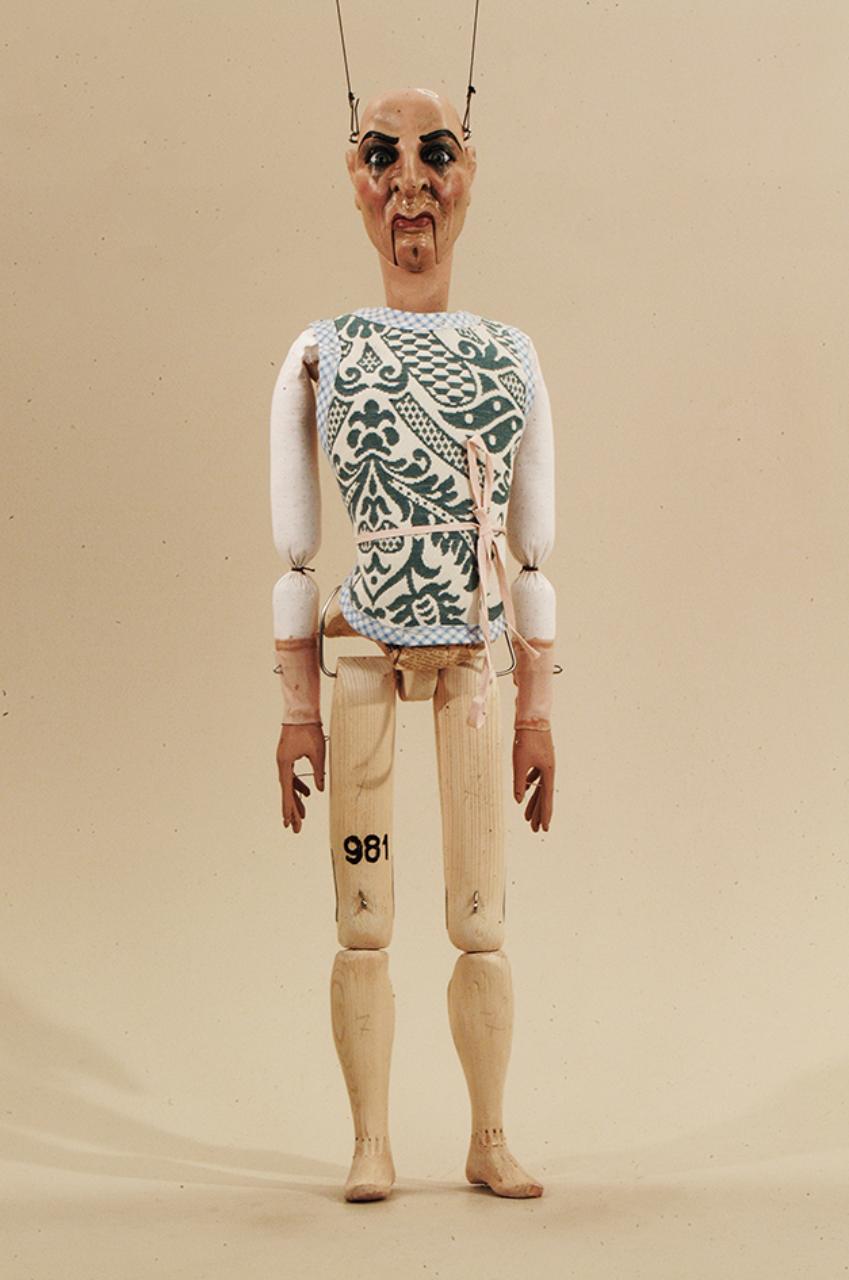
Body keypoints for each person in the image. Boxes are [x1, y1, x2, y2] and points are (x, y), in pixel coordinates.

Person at [271, 87, 556, 1201]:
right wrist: (297, 707)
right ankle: (371, 1140)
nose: (409, 183)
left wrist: (537, 712)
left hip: (473, 658)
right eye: (380, 156)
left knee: (481, 917)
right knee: (363, 920)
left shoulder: (509, 356)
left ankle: (488, 1133)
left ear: (467, 172)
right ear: (355, 179)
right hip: (361, 656)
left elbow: (531, 556)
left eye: (435, 154)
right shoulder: (322, 351)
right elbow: (297, 554)